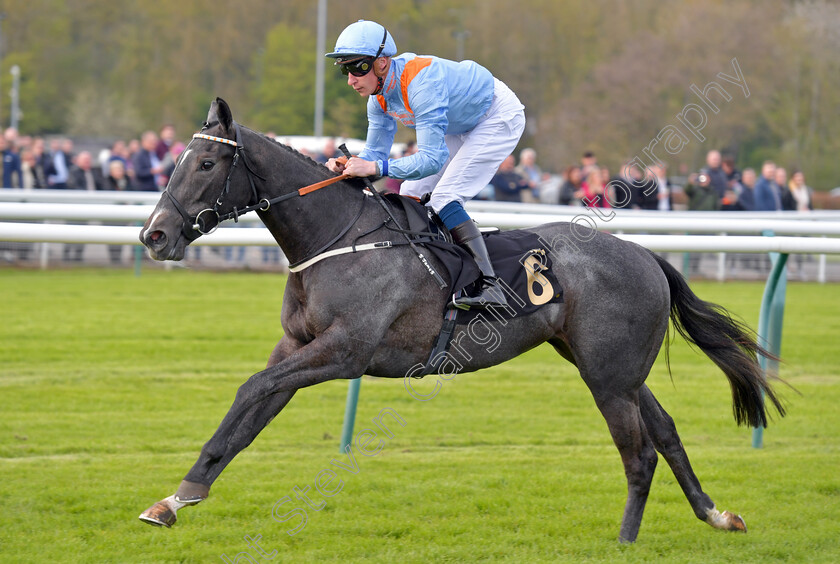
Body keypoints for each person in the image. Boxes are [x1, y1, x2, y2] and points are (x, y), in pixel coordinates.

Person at [324, 20, 525, 309]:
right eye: (345, 69)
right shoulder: (377, 98)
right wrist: (349, 168)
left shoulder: (421, 84)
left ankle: (489, 284)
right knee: (410, 192)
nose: (351, 79)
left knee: (444, 198)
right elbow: (372, 157)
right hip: (461, 123)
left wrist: (375, 168)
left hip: (496, 114)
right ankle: (424, 273)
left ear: (381, 64)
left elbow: (431, 160)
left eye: (357, 68)